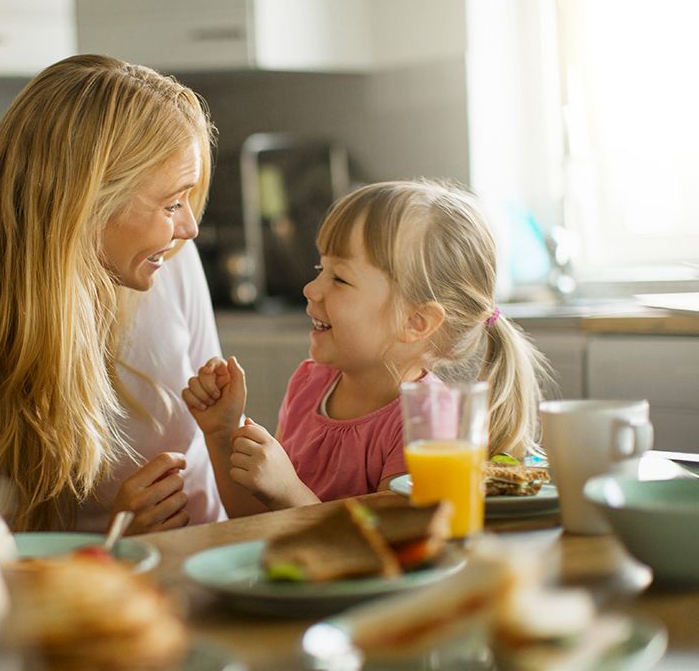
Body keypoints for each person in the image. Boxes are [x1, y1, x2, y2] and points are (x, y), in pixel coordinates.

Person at [0, 54, 226, 533]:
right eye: (172, 203)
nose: (190, 227)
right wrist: (112, 542)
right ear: (88, 202)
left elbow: (216, 434)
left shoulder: (172, 266)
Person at [183, 180, 550, 517]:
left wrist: (290, 493)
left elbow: (392, 549)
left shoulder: (427, 422)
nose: (311, 289)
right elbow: (254, 522)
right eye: (320, 267)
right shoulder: (310, 384)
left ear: (415, 322)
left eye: (339, 277)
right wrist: (220, 433)